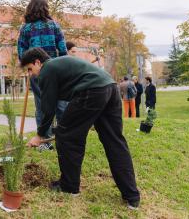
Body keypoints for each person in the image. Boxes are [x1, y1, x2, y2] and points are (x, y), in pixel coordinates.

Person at [22, 48, 140, 209]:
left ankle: (69, 186)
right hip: (111, 87)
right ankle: (132, 196)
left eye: (30, 68)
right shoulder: (60, 64)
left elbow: (47, 108)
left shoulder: (47, 69)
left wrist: (40, 134)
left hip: (91, 91)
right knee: (114, 141)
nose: (31, 74)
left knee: (66, 136)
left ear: (38, 62)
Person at [17, 0, 67, 150]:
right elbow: (63, 50)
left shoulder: (25, 29)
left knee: (42, 106)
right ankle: (64, 139)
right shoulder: (54, 26)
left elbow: (21, 52)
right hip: (56, 71)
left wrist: (29, 67)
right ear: (45, 9)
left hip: (37, 74)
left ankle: (44, 141)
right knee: (61, 105)